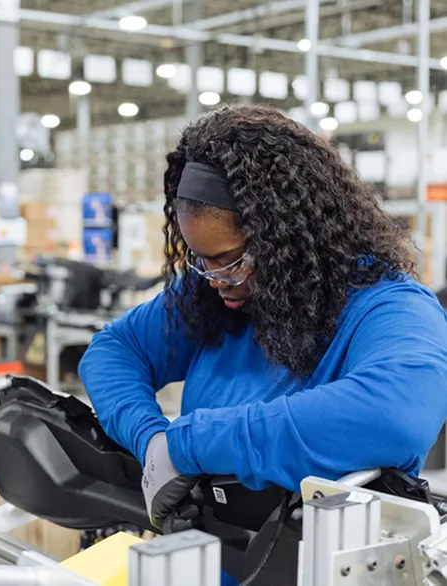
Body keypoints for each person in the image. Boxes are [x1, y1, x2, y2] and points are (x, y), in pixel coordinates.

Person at [78, 104, 447, 584]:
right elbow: (114, 352)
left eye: (230, 260)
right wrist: (151, 442)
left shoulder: (389, 308)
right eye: (201, 260)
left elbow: (393, 416)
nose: (214, 280)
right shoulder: (215, 297)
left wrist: (187, 444)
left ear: (288, 237)